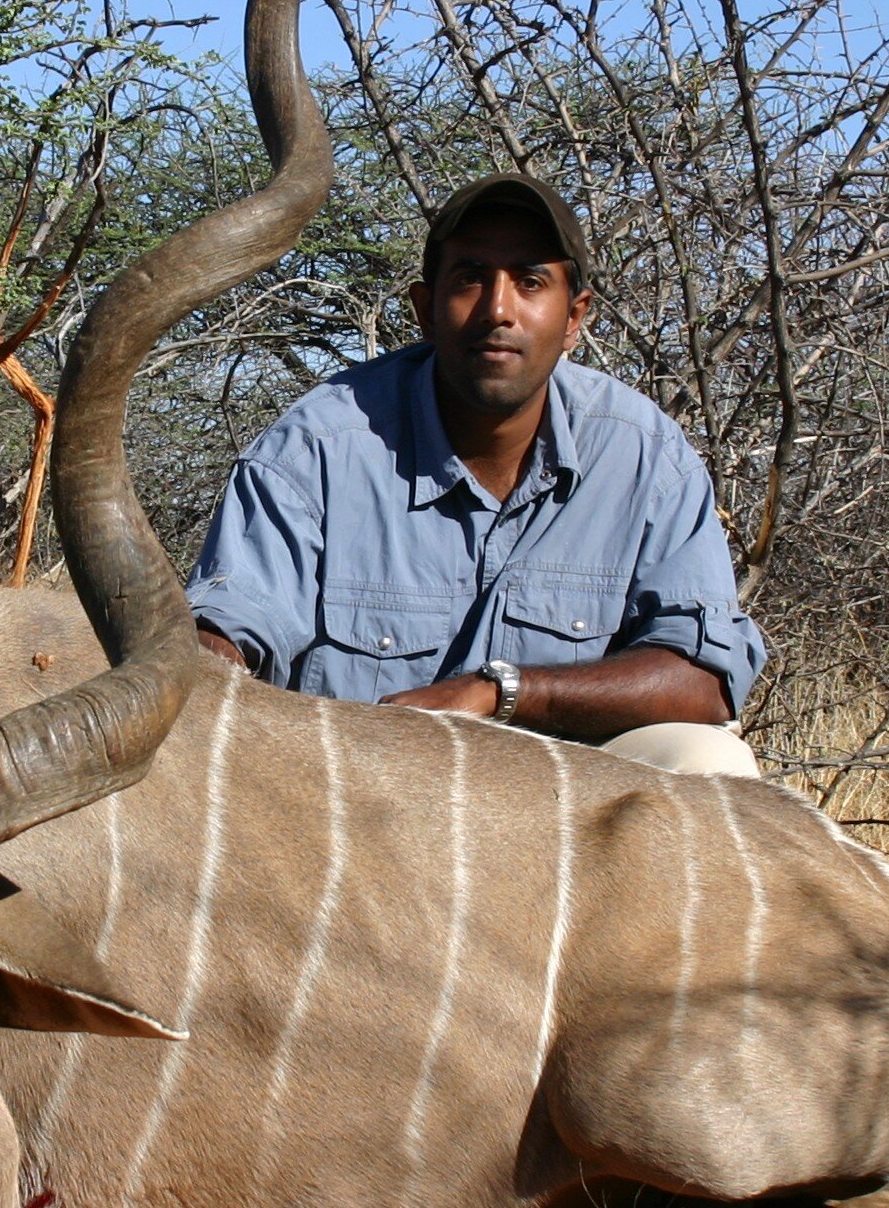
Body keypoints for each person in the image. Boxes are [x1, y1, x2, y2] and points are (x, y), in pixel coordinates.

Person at [188, 171, 767, 774]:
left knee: (709, 762)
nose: (498, 310)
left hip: (564, 800)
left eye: (530, 281)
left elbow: (704, 678)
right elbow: (229, 630)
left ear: (574, 317)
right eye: (470, 279)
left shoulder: (645, 457)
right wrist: (209, 668)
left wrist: (499, 692)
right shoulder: (317, 446)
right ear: (425, 309)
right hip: (358, 795)